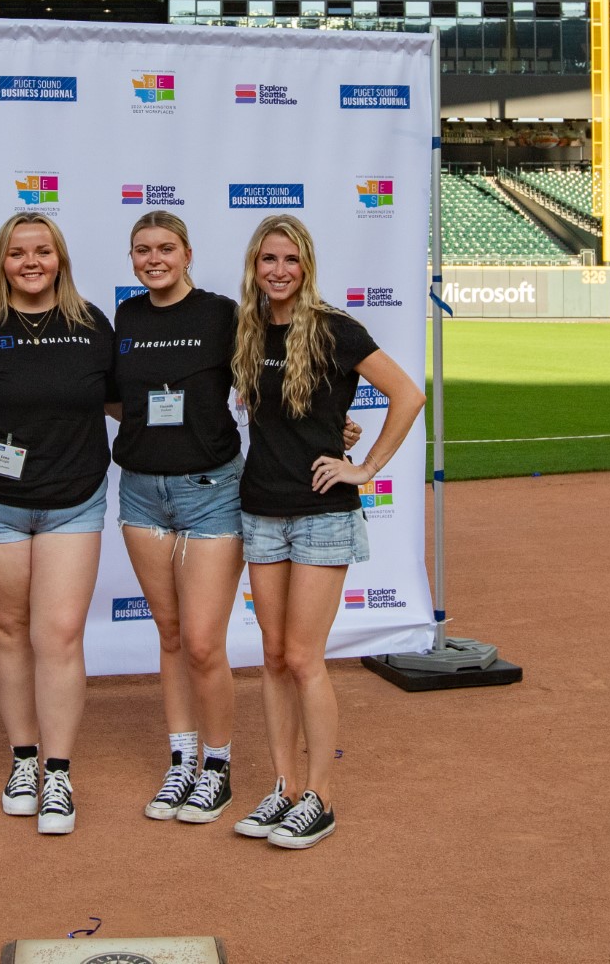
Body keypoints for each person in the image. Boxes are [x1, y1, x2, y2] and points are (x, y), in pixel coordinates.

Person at [229, 213, 424, 849]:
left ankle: (320, 796)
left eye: (289, 259)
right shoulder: (249, 331)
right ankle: (283, 788)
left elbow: (407, 394)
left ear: (306, 265)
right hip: (260, 508)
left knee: (305, 658)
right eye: (267, 260)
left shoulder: (337, 329)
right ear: (254, 267)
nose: (278, 271)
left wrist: (362, 466)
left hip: (320, 514)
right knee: (273, 657)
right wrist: (336, 429)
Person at [0, 212, 115, 835]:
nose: (30, 262)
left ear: (60, 258)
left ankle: (59, 773)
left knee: (61, 633)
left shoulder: (91, 324)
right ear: (1, 261)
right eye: (17, 252)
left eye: (42, 251)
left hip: (73, 498)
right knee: (10, 629)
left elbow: (129, 400)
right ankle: (24, 759)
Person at [111, 211, 245, 824]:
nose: (154, 259)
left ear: (187, 253)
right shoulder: (128, 317)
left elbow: (264, 383)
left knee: (201, 641)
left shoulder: (221, 314)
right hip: (140, 491)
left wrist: (335, 426)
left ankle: (216, 766)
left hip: (211, 489)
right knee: (168, 635)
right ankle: (180, 760)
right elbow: (119, 398)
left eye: (166, 248)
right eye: (143, 250)